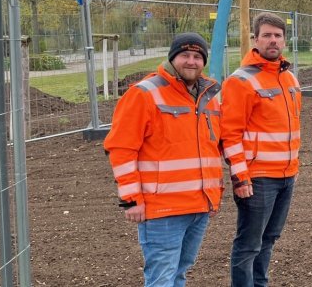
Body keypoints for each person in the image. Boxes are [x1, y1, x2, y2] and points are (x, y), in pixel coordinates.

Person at [104, 32, 250, 287]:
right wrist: (131, 199)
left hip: (199, 206)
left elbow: (219, 144)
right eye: (185, 55)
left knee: (179, 272)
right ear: (172, 58)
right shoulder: (144, 94)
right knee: (161, 278)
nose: (191, 61)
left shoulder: (209, 96)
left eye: (197, 56)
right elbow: (121, 148)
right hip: (162, 209)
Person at [221, 12, 303, 286]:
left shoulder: (289, 79)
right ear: (255, 40)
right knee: (249, 244)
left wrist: (293, 168)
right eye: (266, 35)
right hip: (257, 178)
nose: (273, 41)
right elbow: (229, 134)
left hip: (286, 175)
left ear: (284, 41)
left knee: (269, 239)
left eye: (278, 36)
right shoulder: (241, 81)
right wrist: (240, 177)